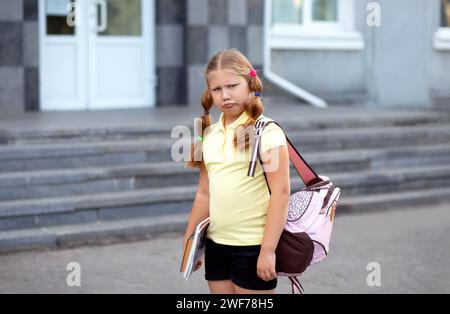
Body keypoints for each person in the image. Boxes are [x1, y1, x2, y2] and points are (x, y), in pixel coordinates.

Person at [183, 49, 290, 294]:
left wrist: (268, 250)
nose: (225, 95)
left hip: (253, 247)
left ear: (250, 84)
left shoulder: (268, 132)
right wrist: (191, 240)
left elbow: (281, 194)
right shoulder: (209, 134)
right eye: (217, 89)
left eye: (232, 85)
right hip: (216, 245)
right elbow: (204, 194)